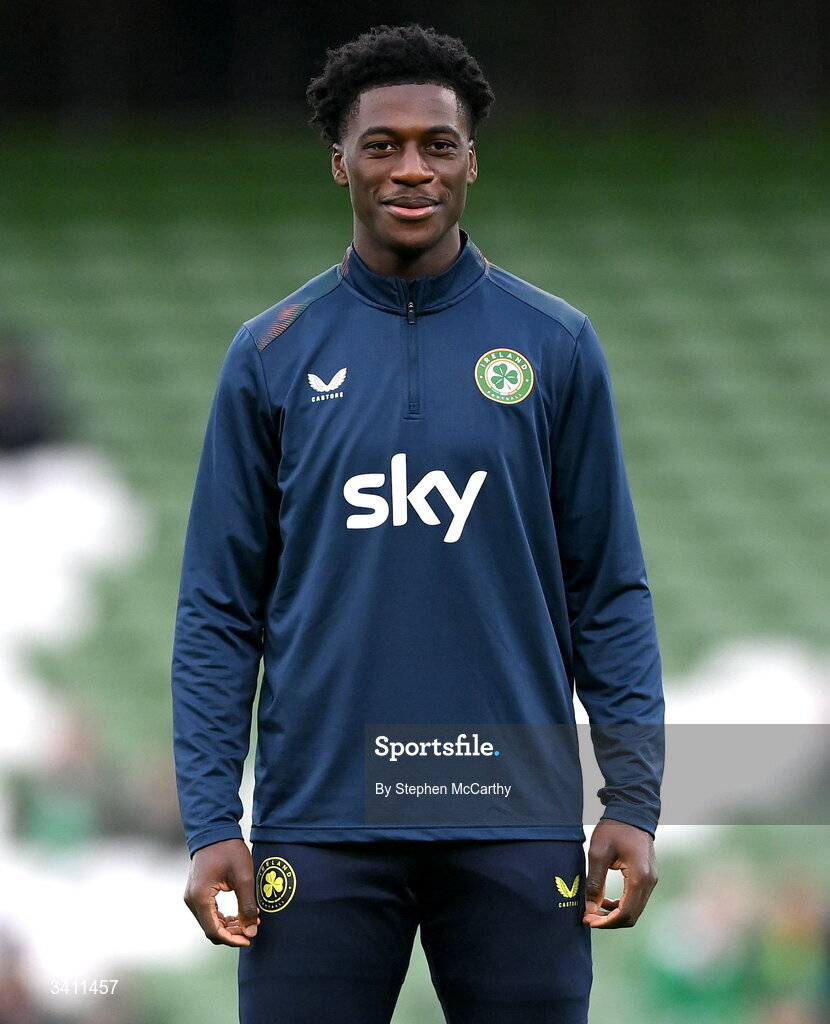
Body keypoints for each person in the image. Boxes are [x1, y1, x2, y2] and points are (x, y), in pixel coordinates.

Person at [172, 23, 664, 1024]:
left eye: (436, 144)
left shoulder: (553, 344)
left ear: (470, 161)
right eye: (382, 144)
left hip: (513, 819)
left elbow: (604, 585)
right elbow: (220, 608)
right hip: (321, 821)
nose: (410, 168)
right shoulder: (269, 353)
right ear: (339, 161)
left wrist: (631, 799)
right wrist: (209, 820)